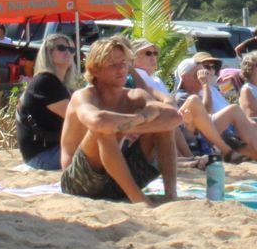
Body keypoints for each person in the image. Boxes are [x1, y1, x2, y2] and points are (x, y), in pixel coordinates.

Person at [58, 35, 181, 204]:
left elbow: (174, 117)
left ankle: (171, 194)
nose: (121, 69)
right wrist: (141, 118)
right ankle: (139, 199)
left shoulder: (134, 95)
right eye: (113, 64)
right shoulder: (84, 96)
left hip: (120, 179)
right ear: (95, 70)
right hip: (81, 182)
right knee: (103, 129)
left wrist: (125, 127)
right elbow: (98, 121)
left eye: (124, 63)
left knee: (163, 127)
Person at [172, 54, 257, 162]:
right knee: (234, 110)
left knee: (239, 111)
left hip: (213, 131)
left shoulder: (206, 91)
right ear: (185, 77)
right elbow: (205, 112)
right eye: (197, 75)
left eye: (211, 68)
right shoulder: (182, 96)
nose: (203, 76)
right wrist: (204, 84)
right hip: (195, 136)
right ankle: (232, 151)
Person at [16, 34, 81, 170]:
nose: (68, 52)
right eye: (61, 48)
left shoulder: (60, 84)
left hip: (53, 150)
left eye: (72, 49)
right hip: (43, 155)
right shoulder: (45, 81)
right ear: (48, 53)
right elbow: (78, 118)